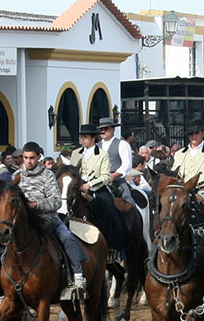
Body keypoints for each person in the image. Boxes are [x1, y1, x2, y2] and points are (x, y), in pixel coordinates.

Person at [17, 142, 86, 298]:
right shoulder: (18, 176)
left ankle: (78, 276)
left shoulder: (47, 175)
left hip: (47, 218)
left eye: (32, 158)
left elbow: (56, 202)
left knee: (67, 237)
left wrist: (36, 204)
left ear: (39, 157)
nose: (28, 161)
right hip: (24, 222)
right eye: (26, 158)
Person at [70, 123, 127, 250]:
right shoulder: (75, 153)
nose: (82, 140)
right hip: (76, 188)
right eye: (81, 137)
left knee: (107, 207)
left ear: (93, 138)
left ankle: (110, 244)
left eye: (85, 137)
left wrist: (89, 184)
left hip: (95, 188)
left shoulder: (102, 154)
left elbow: (105, 176)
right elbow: (71, 171)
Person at [171, 119, 204, 223]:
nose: (193, 136)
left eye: (196, 133)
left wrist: (194, 183)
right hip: (183, 193)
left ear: (202, 133)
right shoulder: (179, 153)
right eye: (191, 134)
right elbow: (174, 173)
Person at [97, 116, 134, 201]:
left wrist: (114, 175)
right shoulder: (96, 146)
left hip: (117, 181)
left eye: (106, 128)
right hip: (98, 181)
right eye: (101, 129)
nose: (103, 131)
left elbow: (127, 164)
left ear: (113, 129)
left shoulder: (122, 144)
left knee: (128, 201)